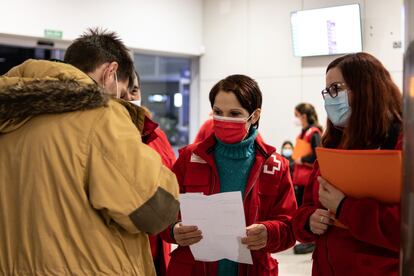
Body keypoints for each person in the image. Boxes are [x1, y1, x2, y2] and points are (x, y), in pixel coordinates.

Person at [0, 29, 179, 276]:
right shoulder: (100, 115)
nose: (124, 99)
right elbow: (155, 209)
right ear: (110, 72)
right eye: (123, 92)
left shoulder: (8, 119)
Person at [162, 74, 297, 275]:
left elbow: (290, 227)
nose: (224, 120)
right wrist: (174, 231)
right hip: (194, 268)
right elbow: (161, 214)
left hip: (252, 269)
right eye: (218, 112)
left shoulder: (275, 166)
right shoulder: (189, 158)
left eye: (234, 113)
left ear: (255, 115)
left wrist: (268, 232)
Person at [292, 52, 402, 275]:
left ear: (366, 89)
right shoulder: (332, 144)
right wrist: (309, 220)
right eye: (327, 91)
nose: (330, 99)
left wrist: (344, 207)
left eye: (336, 89)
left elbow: (403, 227)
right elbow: (304, 209)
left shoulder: (400, 143)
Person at [122, 71, 177, 275]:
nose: (128, 98)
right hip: (123, 251)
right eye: (123, 92)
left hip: (157, 248)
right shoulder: (105, 136)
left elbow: (174, 180)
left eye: (134, 90)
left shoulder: (156, 135)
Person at [291, 103, 322, 254]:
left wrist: (302, 160)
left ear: (304, 115)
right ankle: (305, 238)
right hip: (300, 179)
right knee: (300, 210)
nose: (295, 118)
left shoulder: (314, 132)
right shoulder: (303, 133)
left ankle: (311, 241)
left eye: (296, 115)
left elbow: (318, 154)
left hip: (309, 179)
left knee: (309, 209)